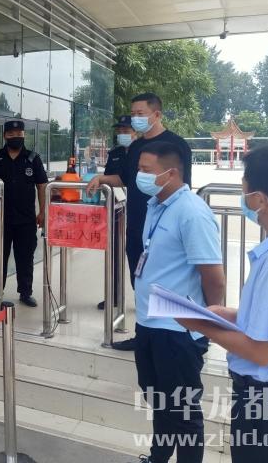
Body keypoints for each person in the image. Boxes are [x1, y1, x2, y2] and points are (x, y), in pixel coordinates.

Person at [176, 143, 268, 463]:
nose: (243, 197)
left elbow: (262, 351)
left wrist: (200, 324)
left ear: (260, 199)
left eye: (245, 189)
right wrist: (229, 315)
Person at [131, 141, 225, 463]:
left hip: (177, 330)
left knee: (183, 412)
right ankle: (158, 457)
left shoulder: (192, 213)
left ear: (170, 173)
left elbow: (213, 277)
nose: (139, 175)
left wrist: (208, 324)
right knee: (158, 399)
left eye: (146, 170)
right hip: (148, 322)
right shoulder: (156, 205)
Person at [88, 93, 192, 350]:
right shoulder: (135, 147)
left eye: (140, 114)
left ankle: (178, 335)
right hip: (136, 226)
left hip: (165, 228)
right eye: (133, 114)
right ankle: (143, 335)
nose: (135, 119)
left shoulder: (176, 145)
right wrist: (101, 179)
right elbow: (124, 179)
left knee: (168, 284)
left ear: (156, 114)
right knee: (142, 282)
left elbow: (183, 187)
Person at [0, 119, 48, 307]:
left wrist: (42, 212)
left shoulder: (33, 158)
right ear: (5, 136)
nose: (15, 137)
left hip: (26, 219)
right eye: (11, 134)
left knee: (25, 257)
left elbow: (42, 186)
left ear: (24, 135)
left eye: (19, 134)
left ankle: (25, 293)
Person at [97, 115, 137, 310]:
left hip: (138, 210)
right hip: (116, 210)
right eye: (119, 131)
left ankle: (141, 298)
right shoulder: (115, 153)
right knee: (113, 253)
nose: (121, 134)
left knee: (137, 254)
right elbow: (108, 178)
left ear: (135, 131)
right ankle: (113, 296)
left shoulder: (143, 151)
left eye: (125, 130)